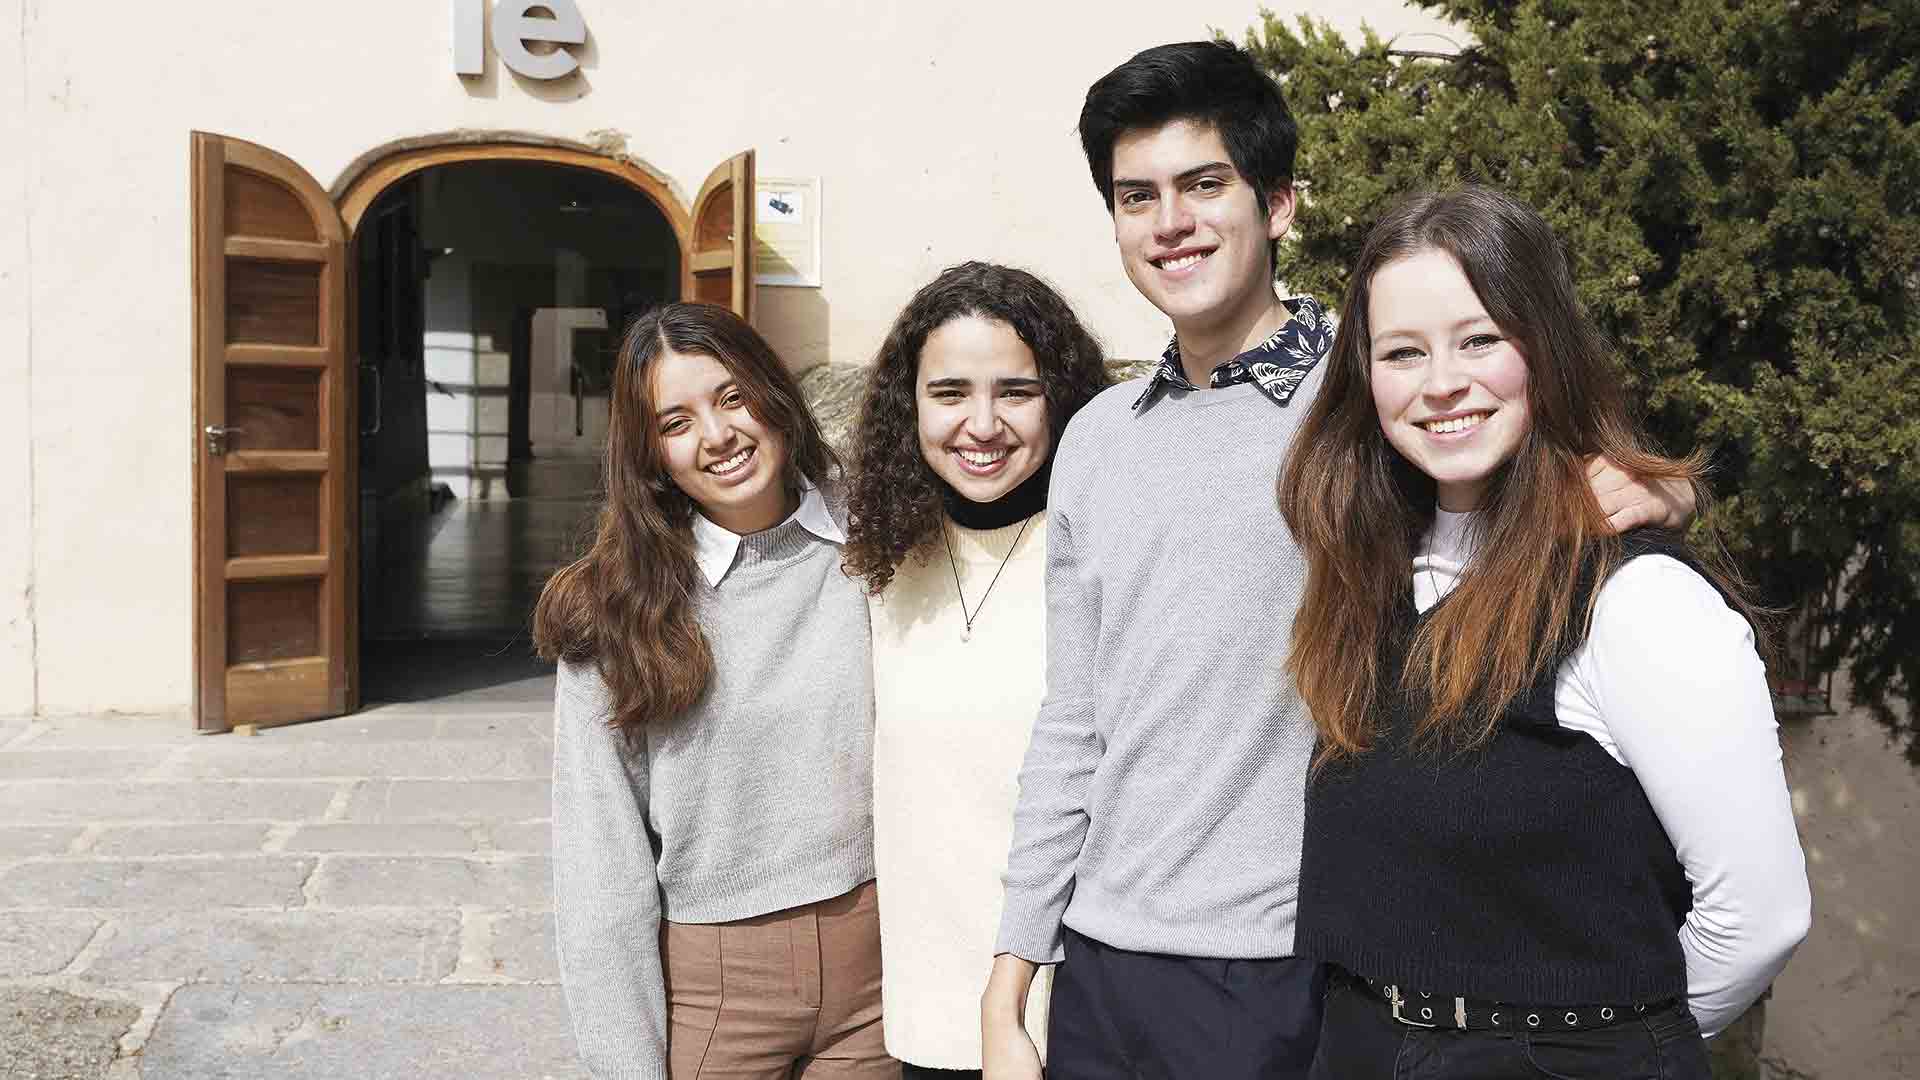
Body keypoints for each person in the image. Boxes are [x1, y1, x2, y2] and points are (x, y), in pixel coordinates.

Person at [979, 41, 1698, 1080]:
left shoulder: (1372, 400)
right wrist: (1013, 976)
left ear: (1279, 205)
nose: (1169, 222)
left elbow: (1539, 475)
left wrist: (1661, 491)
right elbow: (1074, 719)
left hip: (1293, 968)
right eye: (1137, 197)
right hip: (1102, 965)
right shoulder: (1095, 437)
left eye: (1203, 184)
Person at [1277, 185, 1811, 1079]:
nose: (1442, 382)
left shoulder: (1633, 598)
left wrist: (1606, 1045)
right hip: (1360, 1045)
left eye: (1479, 338)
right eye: (1403, 352)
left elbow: (1761, 917)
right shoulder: (1367, 577)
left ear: (1546, 349)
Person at [536, 302, 895, 1080]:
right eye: (676, 421)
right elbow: (599, 864)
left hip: (880, 974)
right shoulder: (612, 608)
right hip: (720, 990)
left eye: (732, 398)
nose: (717, 437)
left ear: (773, 394)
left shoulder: (878, 540)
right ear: (650, 454)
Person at [841, 262, 1112, 1080]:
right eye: (951, 392)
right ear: (910, 405)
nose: (982, 424)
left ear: (1061, 402)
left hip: (1074, 1010)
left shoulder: (1103, 551)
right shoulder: (876, 561)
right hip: (925, 1010)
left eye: (1017, 392)